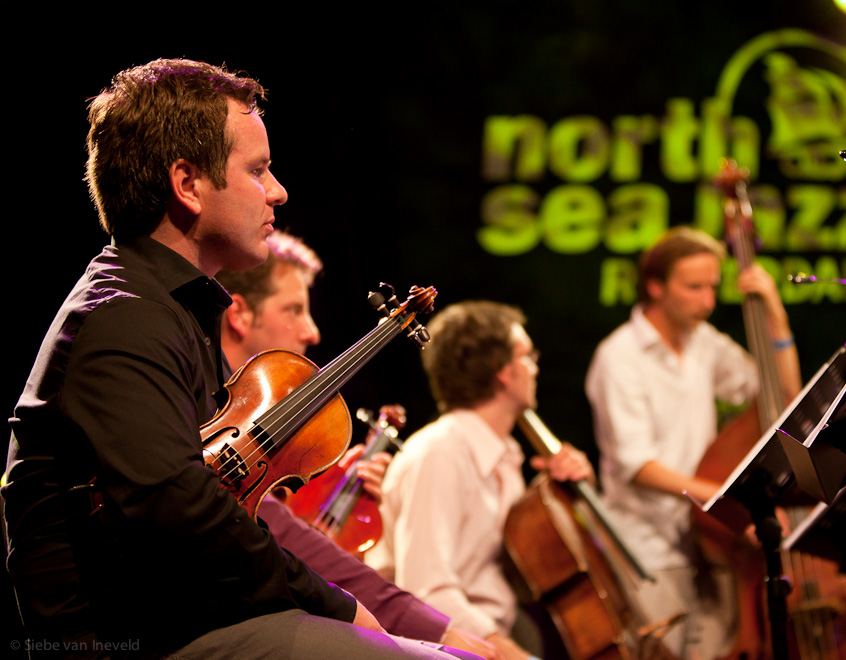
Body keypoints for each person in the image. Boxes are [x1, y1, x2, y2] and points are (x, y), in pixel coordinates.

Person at [3, 58, 477, 660]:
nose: (278, 190)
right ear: (188, 184)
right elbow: (185, 515)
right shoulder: (123, 318)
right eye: (257, 170)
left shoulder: (164, 309)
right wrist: (335, 603)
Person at [215, 230, 495, 658]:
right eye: (293, 310)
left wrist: (332, 500)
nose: (311, 331)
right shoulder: (200, 408)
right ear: (238, 313)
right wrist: (427, 628)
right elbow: (278, 537)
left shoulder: (268, 452)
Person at [584, 226, 802, 660]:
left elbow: (782, 394)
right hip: (651, 550)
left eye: (713, 287)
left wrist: (776, 318)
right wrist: (735, 502)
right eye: (694, 287)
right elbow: (638, 466)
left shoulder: (703, 342)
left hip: (712, 541)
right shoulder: (619, 357)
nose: (708, 300)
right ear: (655, 286)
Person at [365, 301, 595, 660]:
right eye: (527, 356)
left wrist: (569, 497)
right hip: (443, 648)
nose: (535, 367)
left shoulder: (504, 454)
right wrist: (508, 652)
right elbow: (427, 590)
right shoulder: (439, 453)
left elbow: (518, 576)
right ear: (501, 371)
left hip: (491, 631)